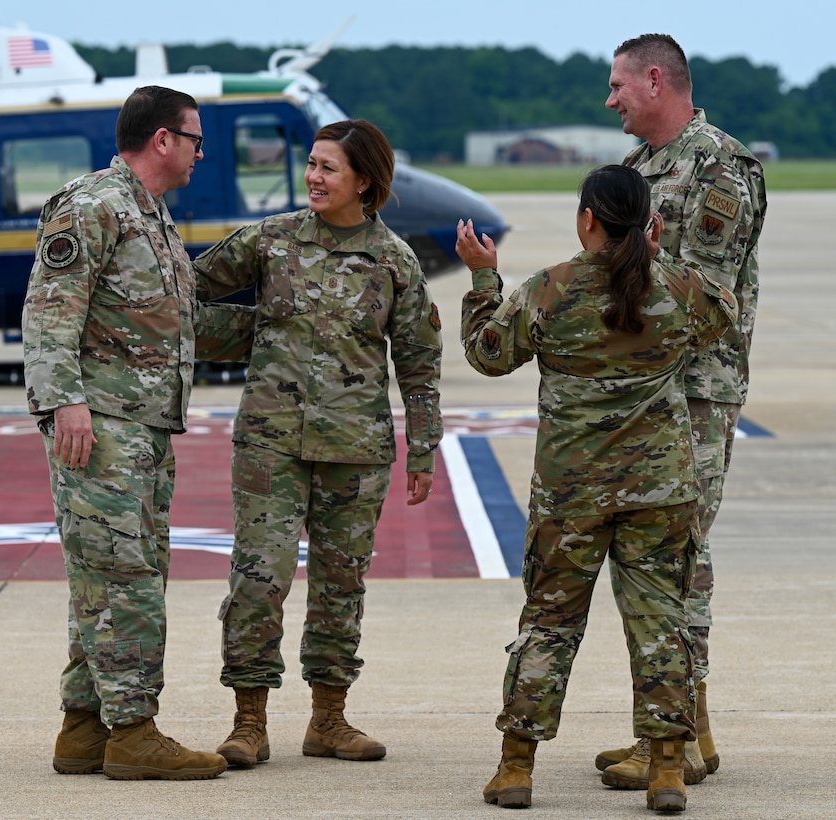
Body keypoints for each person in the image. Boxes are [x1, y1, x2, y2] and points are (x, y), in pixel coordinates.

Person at [459, 164, 737, 812]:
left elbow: (486, 352)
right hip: (660, 493)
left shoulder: (551, 289)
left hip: (571, 497)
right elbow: (720, 317)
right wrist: (659, 258)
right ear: (649, 224)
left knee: (549, 625)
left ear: (587, 220)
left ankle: (515, 768)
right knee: (661, 626)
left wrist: (481, 277)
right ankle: (668, 770)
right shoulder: (678, 288)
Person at [192, 118, 443, 767]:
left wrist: (423, 445)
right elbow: (187, 291)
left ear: (364, 180)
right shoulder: (269, 241)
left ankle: (328, 720)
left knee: (341, 586)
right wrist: (246, 333)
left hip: (356, 451)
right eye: (311, 165)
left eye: (328, 168)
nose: (313, 177)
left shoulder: (394, 260)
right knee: (259, 578)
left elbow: (418, 359)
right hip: (270, 445)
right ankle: (249, 721)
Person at [22, 85, 254, 781]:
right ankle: (134, 732)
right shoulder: (95, 206)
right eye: (195, 140)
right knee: (128, 580)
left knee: (110, 574)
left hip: (141, 427)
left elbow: (174, 326)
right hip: (104, 426)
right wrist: (65, 403)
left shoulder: (148, 216)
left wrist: (277, 329)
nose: (199, 153)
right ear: (162, 141)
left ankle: (85, 727)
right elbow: (50, 313)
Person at [596, 33, 767, 789]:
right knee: (653, 561)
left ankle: (673, 738)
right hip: (644, 391)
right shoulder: (637, 173)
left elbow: (702, 296)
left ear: (656, 81)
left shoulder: (720, 169)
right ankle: (685, 726)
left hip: (693, 391)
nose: (610, 102)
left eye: (618, 86)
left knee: (674, 558)